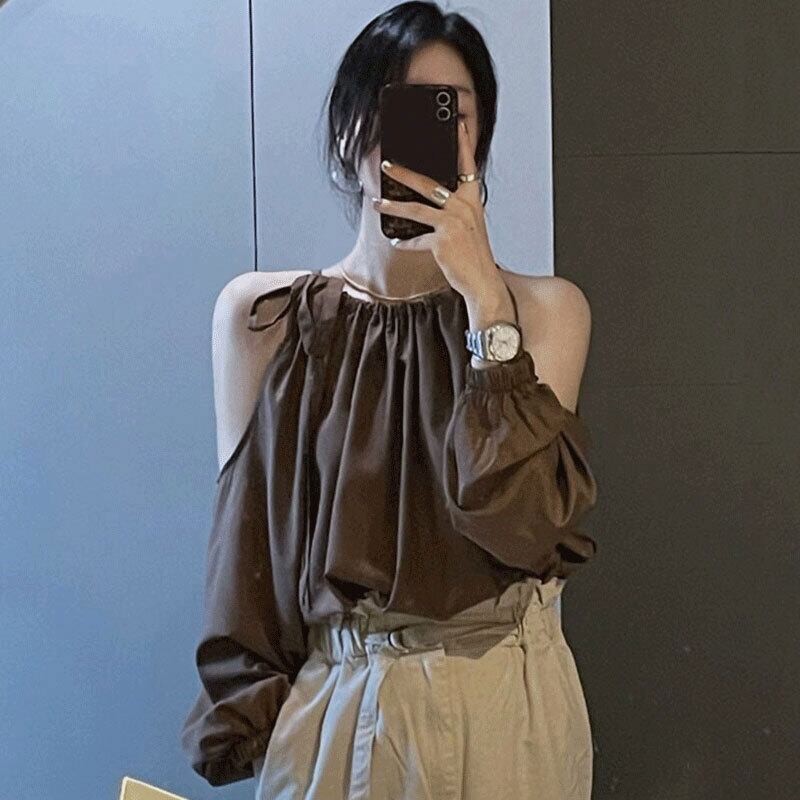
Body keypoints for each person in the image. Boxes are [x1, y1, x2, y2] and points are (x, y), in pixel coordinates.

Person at [180, 3, 598, 798]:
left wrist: (485, 304)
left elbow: (522, 528)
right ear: (349, 130)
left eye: (451, 114)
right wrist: (252, 727)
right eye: (398, 109)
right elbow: (247, 556)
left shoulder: (545, 313)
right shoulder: (265, 320)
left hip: (507, 698)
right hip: (342, 703)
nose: (424, 136)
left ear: (479, 140)